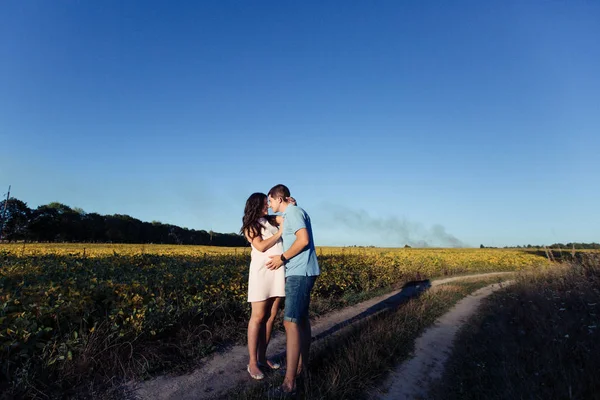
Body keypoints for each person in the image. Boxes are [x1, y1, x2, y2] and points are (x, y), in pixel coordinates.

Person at [266, 184, 320, 397]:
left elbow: (303, 240)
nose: (269, 206)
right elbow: (273, 219)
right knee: (301, 320)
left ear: (278, 198)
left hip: (299, 272)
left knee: (290, 322)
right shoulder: (291, 213)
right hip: (303, 271)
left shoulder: (294, 212)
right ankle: (301, 369)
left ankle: (290, 383)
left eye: (270, 201)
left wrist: (282, 258)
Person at [240, 192, 286, 380]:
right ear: (255, 205)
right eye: (264, 204)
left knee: (271, 317)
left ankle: (262, 357)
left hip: (277, 272)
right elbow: (260, 246)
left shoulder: (270, 221)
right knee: (258, 317)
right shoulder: (250, 226)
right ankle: (252, 362)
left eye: (268, 203)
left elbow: (286, 216)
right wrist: (282, 233)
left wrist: (291, 204)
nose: (267, 206)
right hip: (261, 274)